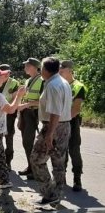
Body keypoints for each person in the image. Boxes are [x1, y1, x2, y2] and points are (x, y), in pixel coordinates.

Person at [30, 57, 72, 205]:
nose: (40, 70)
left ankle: (50, 193)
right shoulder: (62, 82)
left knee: (36, 159)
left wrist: (49, 134)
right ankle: (56, 195)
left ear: (46, 70)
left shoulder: (53, 85)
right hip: (64, 125)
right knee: (58, 162)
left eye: (41, 68)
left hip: (53, 126)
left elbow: (55, 112)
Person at [59, 60, 87, 192]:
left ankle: (77, 178)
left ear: (70, 71)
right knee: (61, 151)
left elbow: (75, 109)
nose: (59, 72)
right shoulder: (59, 85)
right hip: (59, 122)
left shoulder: (78, 86)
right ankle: (61, 176)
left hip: (71, 122)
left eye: (62, 70)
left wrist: (63, 119)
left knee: (74, 150)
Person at [17, 57, 43, 179]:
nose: (25, 68)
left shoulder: (42, 81)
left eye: (27, 65)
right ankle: (30, 167)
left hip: (35, 114)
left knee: (30, 142)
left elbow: (44, 102)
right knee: (26, 142)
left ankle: (35, 169)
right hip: (25, 114)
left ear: (33, 67)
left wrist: (27, 104)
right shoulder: (28, 81)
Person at [0, 64, 20, 169]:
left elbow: (15, 99)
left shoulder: (14, 83)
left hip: (9, 114)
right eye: (4, 72)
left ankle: (8, 160)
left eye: (8, 72)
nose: (7, 74)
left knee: (9, 137)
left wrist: (8, 108)